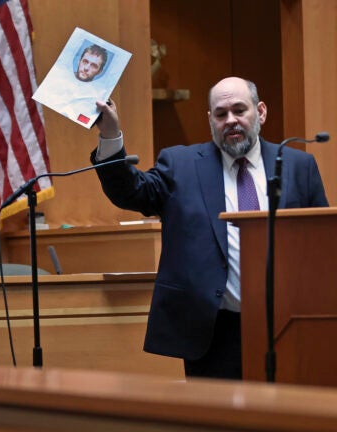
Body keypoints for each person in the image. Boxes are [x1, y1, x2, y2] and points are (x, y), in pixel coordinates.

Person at [90, 77, 328, 379]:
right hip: (213, 331)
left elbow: (321, 245)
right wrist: (110, 135)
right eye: (220, 114)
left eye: (239, 110)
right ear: (210, 120)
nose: (231, 120)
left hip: (286, 324)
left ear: (261, 112)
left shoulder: (298, 165)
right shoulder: (181, 164)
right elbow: (130, 191)